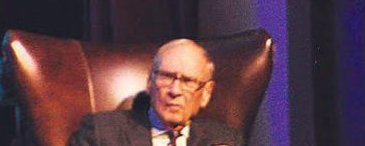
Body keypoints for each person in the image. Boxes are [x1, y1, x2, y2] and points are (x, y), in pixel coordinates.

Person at [67, 39, 244, 146]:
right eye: (166, 77)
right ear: (149, 82)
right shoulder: (101, 132)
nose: (175, 91)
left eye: (188, 81)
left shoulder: (225, 139)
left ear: (206, 93)